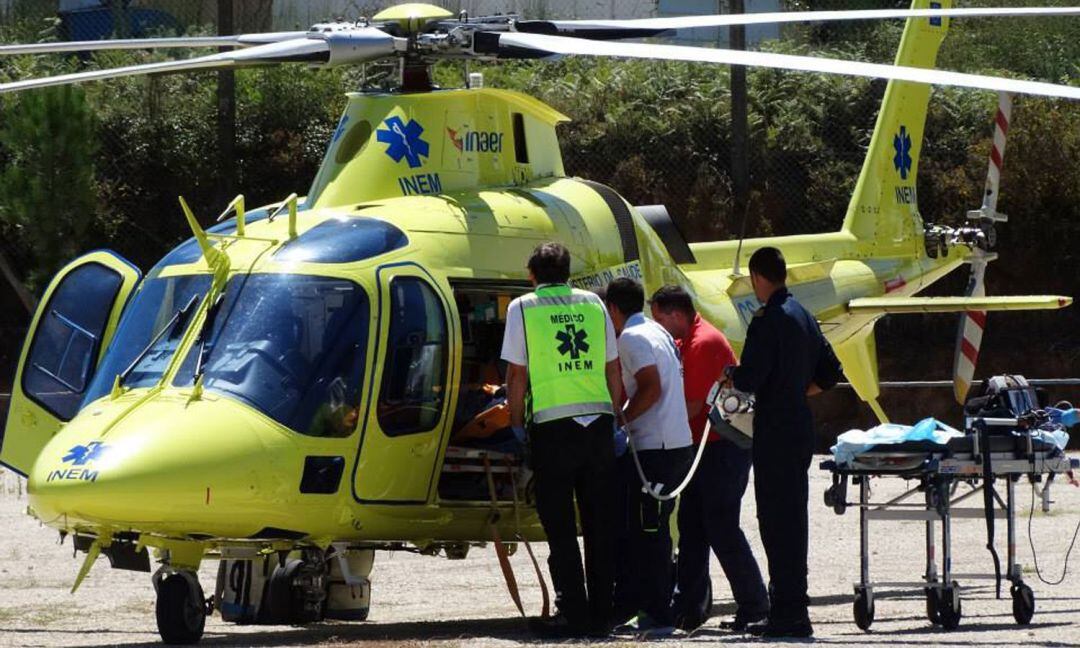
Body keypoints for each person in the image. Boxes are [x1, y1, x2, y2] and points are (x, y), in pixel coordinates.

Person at [501, 241, 623, 638]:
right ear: (568, 272)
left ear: (532, 274)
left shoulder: (523, 308)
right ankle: (604, 613)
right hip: (599, 428)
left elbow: (517, 375)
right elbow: (612, 366)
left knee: (560, 527)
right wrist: (615, 415)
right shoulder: (594, 303)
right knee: (599, 525)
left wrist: (516, 424)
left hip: (553, 430)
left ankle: (574, 611)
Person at [728, 247, 842, 638]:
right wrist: (795, 390)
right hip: (799, 426)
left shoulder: (767, 319)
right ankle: (792, 607)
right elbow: (830, 373)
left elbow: (749, 378)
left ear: (759, 277)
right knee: (793, 520)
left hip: (775, 429)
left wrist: (732, 376)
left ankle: (787, 614)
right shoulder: (804, 315)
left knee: (776, 522)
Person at [650, 284, 770, 632]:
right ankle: (688, 606)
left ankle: (754, 604)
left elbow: (689, 405)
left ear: (675, 314)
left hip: (722, 447)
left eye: (660, 319)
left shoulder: (703, 344)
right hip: (705, 446)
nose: (658, 326)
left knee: (720, 525)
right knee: (692, 527)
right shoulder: (685, 341)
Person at [604, 277, 693, 635]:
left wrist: (621, 418)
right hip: (673, 445)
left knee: (650, 532)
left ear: (612, 309)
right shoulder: (658, 332)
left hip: (655, 449)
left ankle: (657, 612)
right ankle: (636, 604)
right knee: (648, 530)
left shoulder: (632, 338)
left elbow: (651, 387)